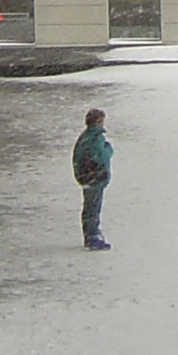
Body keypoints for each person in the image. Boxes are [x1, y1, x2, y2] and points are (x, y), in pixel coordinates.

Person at [72, 106, 113, 249]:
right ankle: (92, 235)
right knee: (93, 207)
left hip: (87, 177)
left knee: (89, 206)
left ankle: (90, 234)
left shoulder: (85, 137)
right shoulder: (96, 138)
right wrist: (108, 149)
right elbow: (101, 156)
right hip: (95, 178)